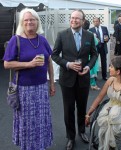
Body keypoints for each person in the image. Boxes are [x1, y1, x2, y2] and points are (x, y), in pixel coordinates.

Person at [3, 8, 55, 150]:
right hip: (23, 89)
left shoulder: (42, 40)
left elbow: (49, 61)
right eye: (26, 20)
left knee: (41, 120)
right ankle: (27, 147)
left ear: (37, 22)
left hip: (41, 88)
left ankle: (40, 146)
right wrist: (29, 64)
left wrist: (51, 83)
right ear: (22, 23)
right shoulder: (16, 40)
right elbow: (7, 64)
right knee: (27, 121)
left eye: (32, 19)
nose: (29, 22)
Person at [52, 9, 98, 150]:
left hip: (83, 79)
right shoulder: (62, 35)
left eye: (77, 18)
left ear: (83, 20)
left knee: (82, 108)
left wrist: (88, 68)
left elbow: (94, 55)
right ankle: (70, 137)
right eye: (72, 18)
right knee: (68, 109)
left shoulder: (90, 36)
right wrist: (68, 64)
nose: (74, 20)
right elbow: (54, 55)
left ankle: (82, 131)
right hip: (67, 80)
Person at [82, 19, 100, 90]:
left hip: (82, 55)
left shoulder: (80, 34)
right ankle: (93, 85)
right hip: (90, 55)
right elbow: (96, 43)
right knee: (91, 69)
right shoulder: (90, 34)